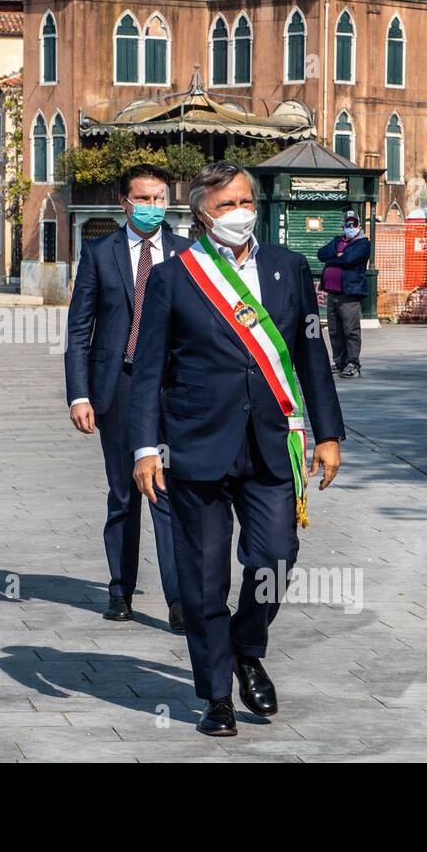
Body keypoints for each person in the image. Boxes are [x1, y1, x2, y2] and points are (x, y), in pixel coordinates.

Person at [131, 162, 345, 738]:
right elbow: (149, 371)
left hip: (272, 444)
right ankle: (218, 696)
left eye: (246, 201)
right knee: (203, 581)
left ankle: (248, 647)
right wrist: (145, 448)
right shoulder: (174, 277)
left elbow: (310, 355)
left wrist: (327, 434)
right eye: (226, 205)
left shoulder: (289, 268)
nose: (240, 212)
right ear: (202, 213)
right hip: (197, 445)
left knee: (276, 557)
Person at [65, 163, 188, 632]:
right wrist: (79, 394)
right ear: (124, 202)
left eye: (160, 198)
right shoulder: (100, 253)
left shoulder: (185, 252)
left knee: (168, 495)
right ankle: (120, 590)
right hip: (116, 387)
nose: (154, 207)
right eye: (144, 198)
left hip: (170, 393)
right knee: (123, 495)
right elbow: (80, 330)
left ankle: (179, 600)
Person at [318, 210, 372, 379]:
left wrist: (334, 258)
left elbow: (349, 260)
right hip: (332, 293)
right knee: (334, 331)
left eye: (353, 224)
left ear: (359, 225)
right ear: (343, 226)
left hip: (349, 293)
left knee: (351, 331)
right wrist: (337, 254)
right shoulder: (337, 240)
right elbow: (321, 254)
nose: (350, 227)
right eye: (347, 224)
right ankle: (340, 362)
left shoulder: (363, 244)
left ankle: (353, 364)